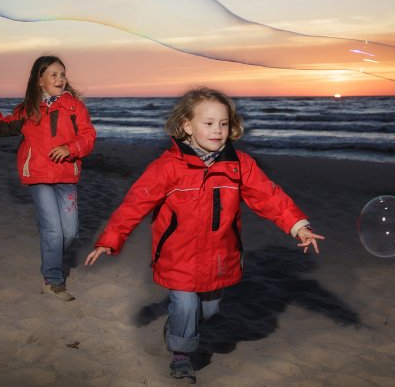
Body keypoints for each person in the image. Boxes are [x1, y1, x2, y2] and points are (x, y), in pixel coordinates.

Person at [84, 86, 323, 382]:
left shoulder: (238, 166)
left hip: (220, 257)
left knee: (208, 311)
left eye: (223, 124)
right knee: (185, 303)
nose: (218, 130)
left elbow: (269, 196)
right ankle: (181, 356)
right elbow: (135, 204)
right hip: (179, 256)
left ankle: (178, 326)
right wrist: (110, 239)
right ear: (187, 126)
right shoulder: (167, 168)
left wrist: (298, 225)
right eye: (208, 124)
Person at [0, 55, 96, 301]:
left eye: (62, 74)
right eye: (53, 74)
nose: (60, 78)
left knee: (70, 231)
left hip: (66, 175)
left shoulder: (74, 107)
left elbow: (88, 136)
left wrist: (71, 149)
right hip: (38, 175)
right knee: (52, 229)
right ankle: (52, 281)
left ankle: (50, 258)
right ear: (39, 80)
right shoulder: (28, 110)